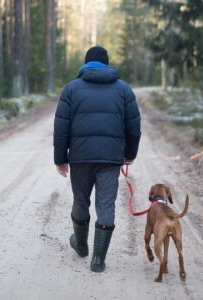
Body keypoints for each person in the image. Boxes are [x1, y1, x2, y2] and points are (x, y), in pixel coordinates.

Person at [53, 45, 141, 272]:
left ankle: (81, 245)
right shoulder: (124, 90)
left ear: (86, 63)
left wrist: (60, 158)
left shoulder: (71, 89)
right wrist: (130, 153)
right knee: (106, 204)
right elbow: (134, 126)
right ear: (107, 64)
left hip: (81, 158)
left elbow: (61, 128)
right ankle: (98, 260)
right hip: (110, 158)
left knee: (80, 201)